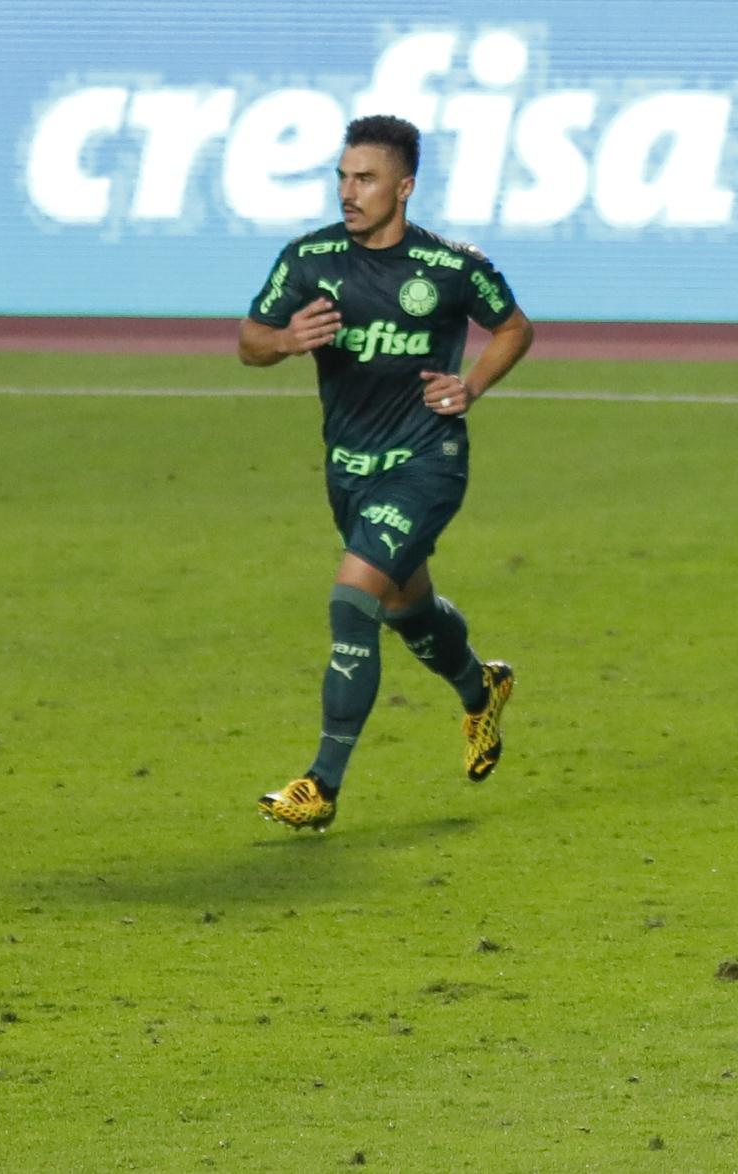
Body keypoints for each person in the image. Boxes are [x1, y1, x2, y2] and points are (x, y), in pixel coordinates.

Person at [238, 114, 534, 831]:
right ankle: (481, 688)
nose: (348, 191)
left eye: (364, 179)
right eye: (342, 177)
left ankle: (321, 784)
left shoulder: (450, 267)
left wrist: (471, 387)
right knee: (408, 611)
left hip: (428, 461)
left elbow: (515, 328)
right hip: (349, 469)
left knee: (353, 603)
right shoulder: (309, 259)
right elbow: (249, 341)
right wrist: (284, 340)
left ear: (403, 187)